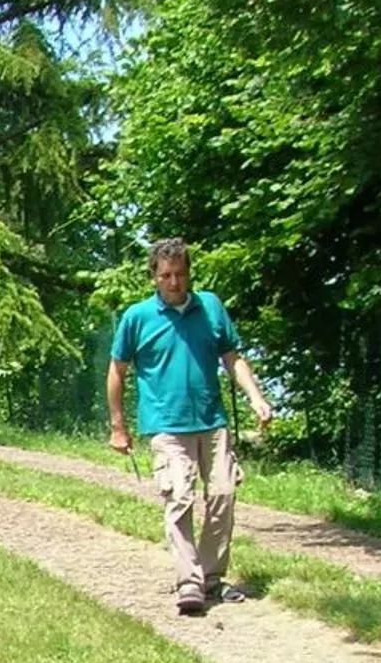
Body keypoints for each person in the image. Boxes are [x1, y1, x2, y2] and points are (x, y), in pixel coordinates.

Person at [107, 238, 274, 616]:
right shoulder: (138, 317)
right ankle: (189, 582)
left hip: (212, 421)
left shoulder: (210, 307)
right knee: (180, 497)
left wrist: (256, 397)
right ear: (153, 276)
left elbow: (232, 358)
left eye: (181, 274)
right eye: (166, 275)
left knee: (223, 495)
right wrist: (118, 426)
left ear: (189, 273)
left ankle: (211, 578)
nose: (174, 282)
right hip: (166, 425)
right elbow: (116, 372)